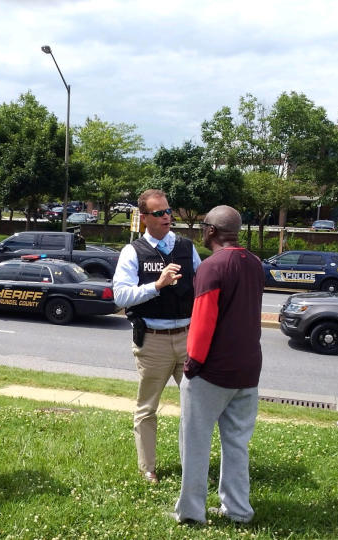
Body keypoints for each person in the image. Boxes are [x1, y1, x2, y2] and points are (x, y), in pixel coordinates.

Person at [173, 205, 263, 525]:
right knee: (237, 444)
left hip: (212, 371)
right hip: (248, 369)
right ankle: (239, 511)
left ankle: (191, 513)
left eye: (203, 226)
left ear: (211, 230)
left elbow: (203, 320)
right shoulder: (255, 264)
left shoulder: (212, 267)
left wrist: (192, 364)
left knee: (195, 443)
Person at [113, 189, 201, 484]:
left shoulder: (187, 248)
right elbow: (121, 295)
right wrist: (158, 285)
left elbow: (202, 286)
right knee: (147, 407)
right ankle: (148, 468)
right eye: (159, 213)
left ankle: (194, 465)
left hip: (188, 338)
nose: (167, 217)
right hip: (153, 341)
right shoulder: (133, 252)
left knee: (196, 405)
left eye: (168, 211)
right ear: (144, 218)